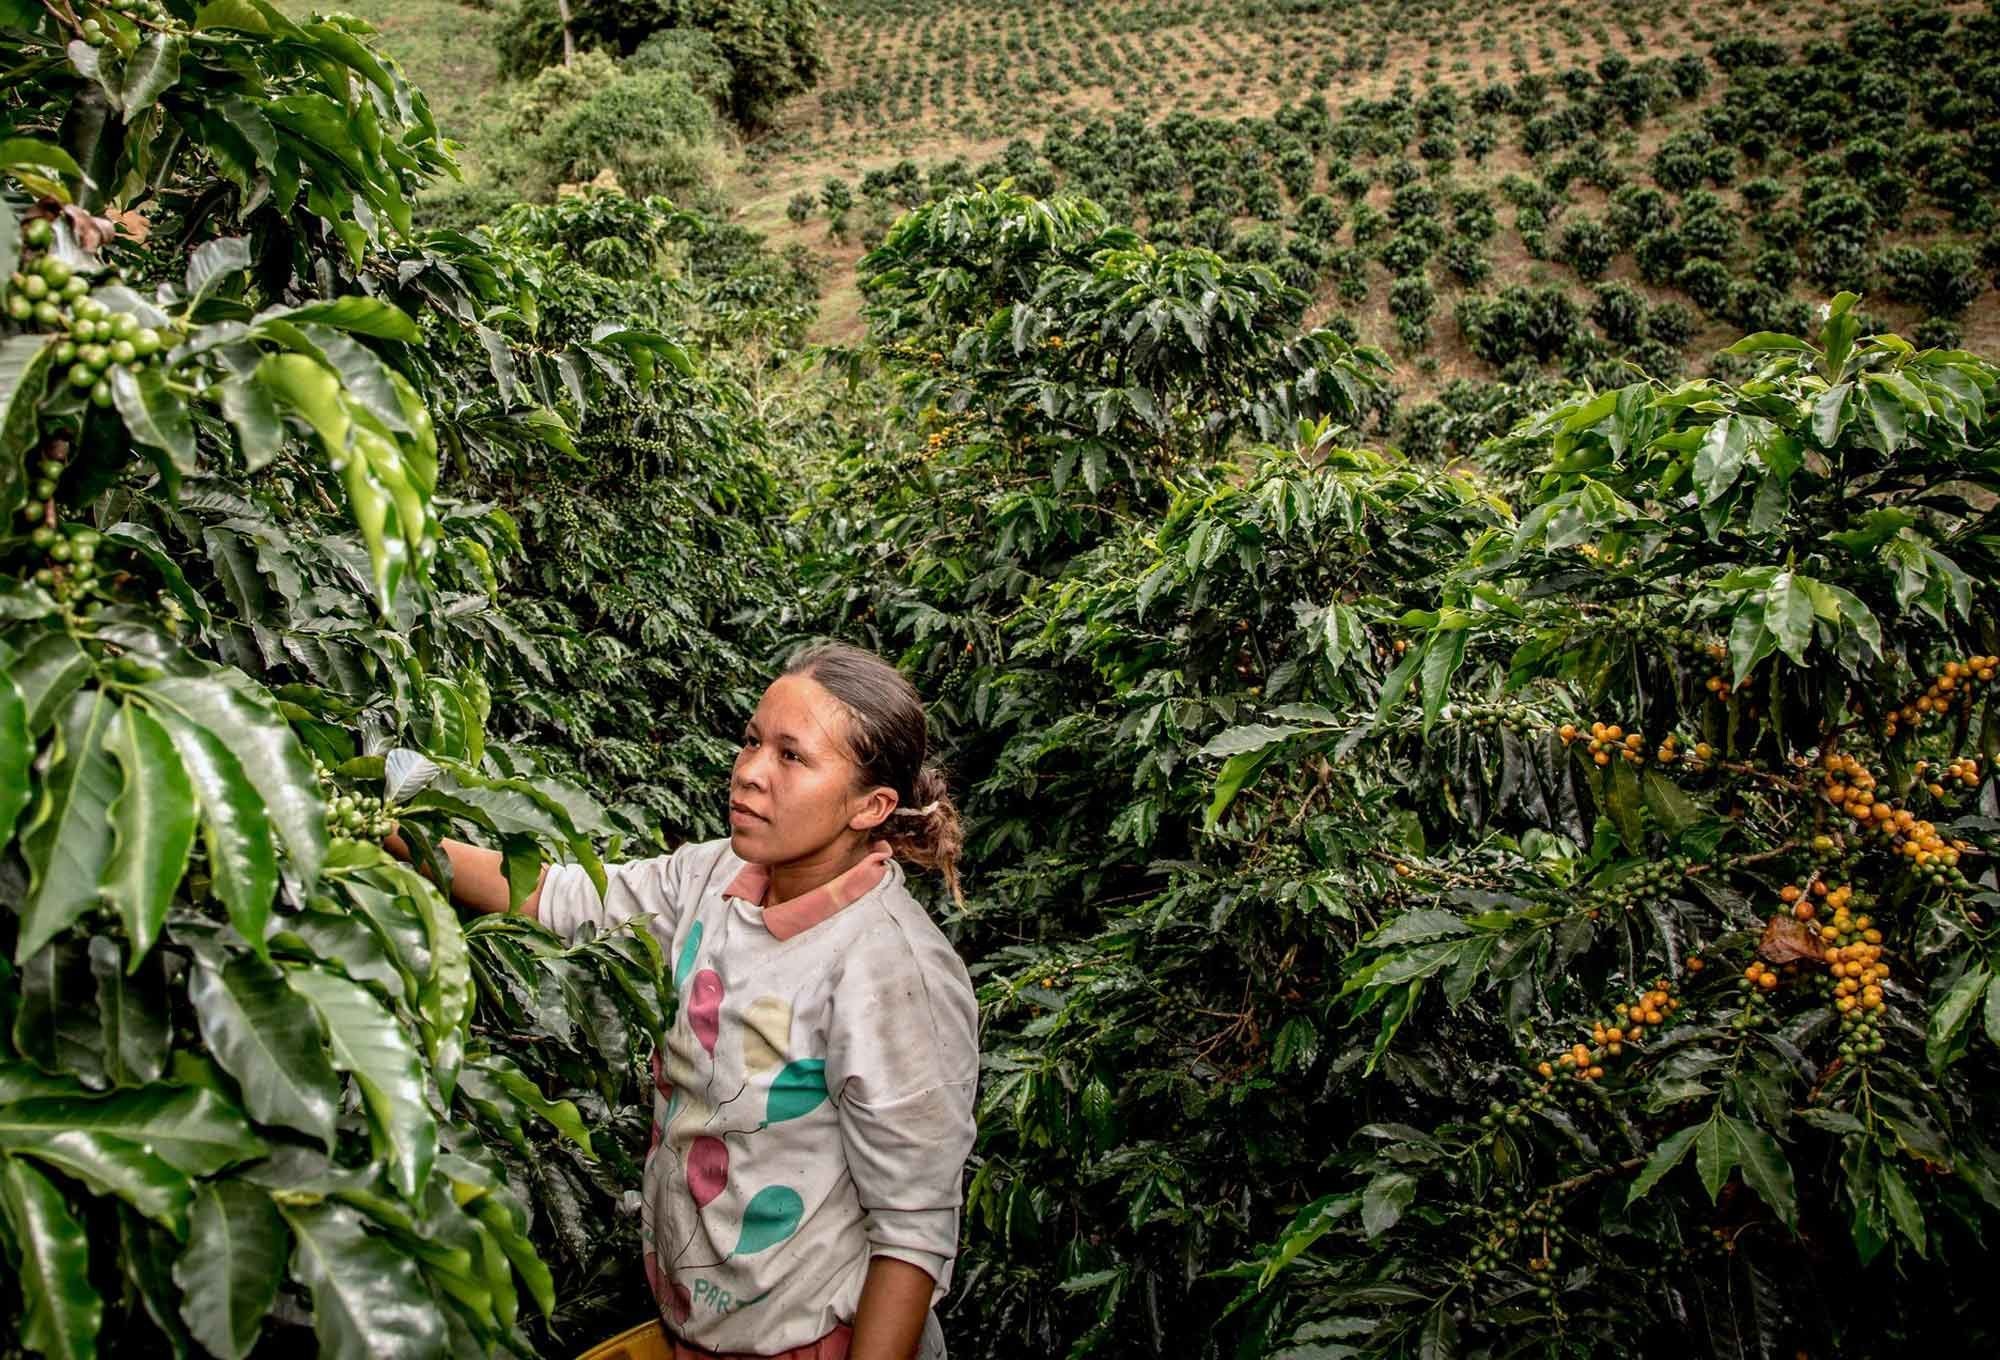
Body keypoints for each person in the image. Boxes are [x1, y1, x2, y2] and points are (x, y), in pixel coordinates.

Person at [399, 641, 979, 1360]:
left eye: (791, 757)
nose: (749, 771)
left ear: (872, 806)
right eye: (752, 741)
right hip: (697, 1326)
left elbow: (911, 1233)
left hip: (811, 1341)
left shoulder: (893, 972)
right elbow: (559, 895)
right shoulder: (715, 875)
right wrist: (398, 835)